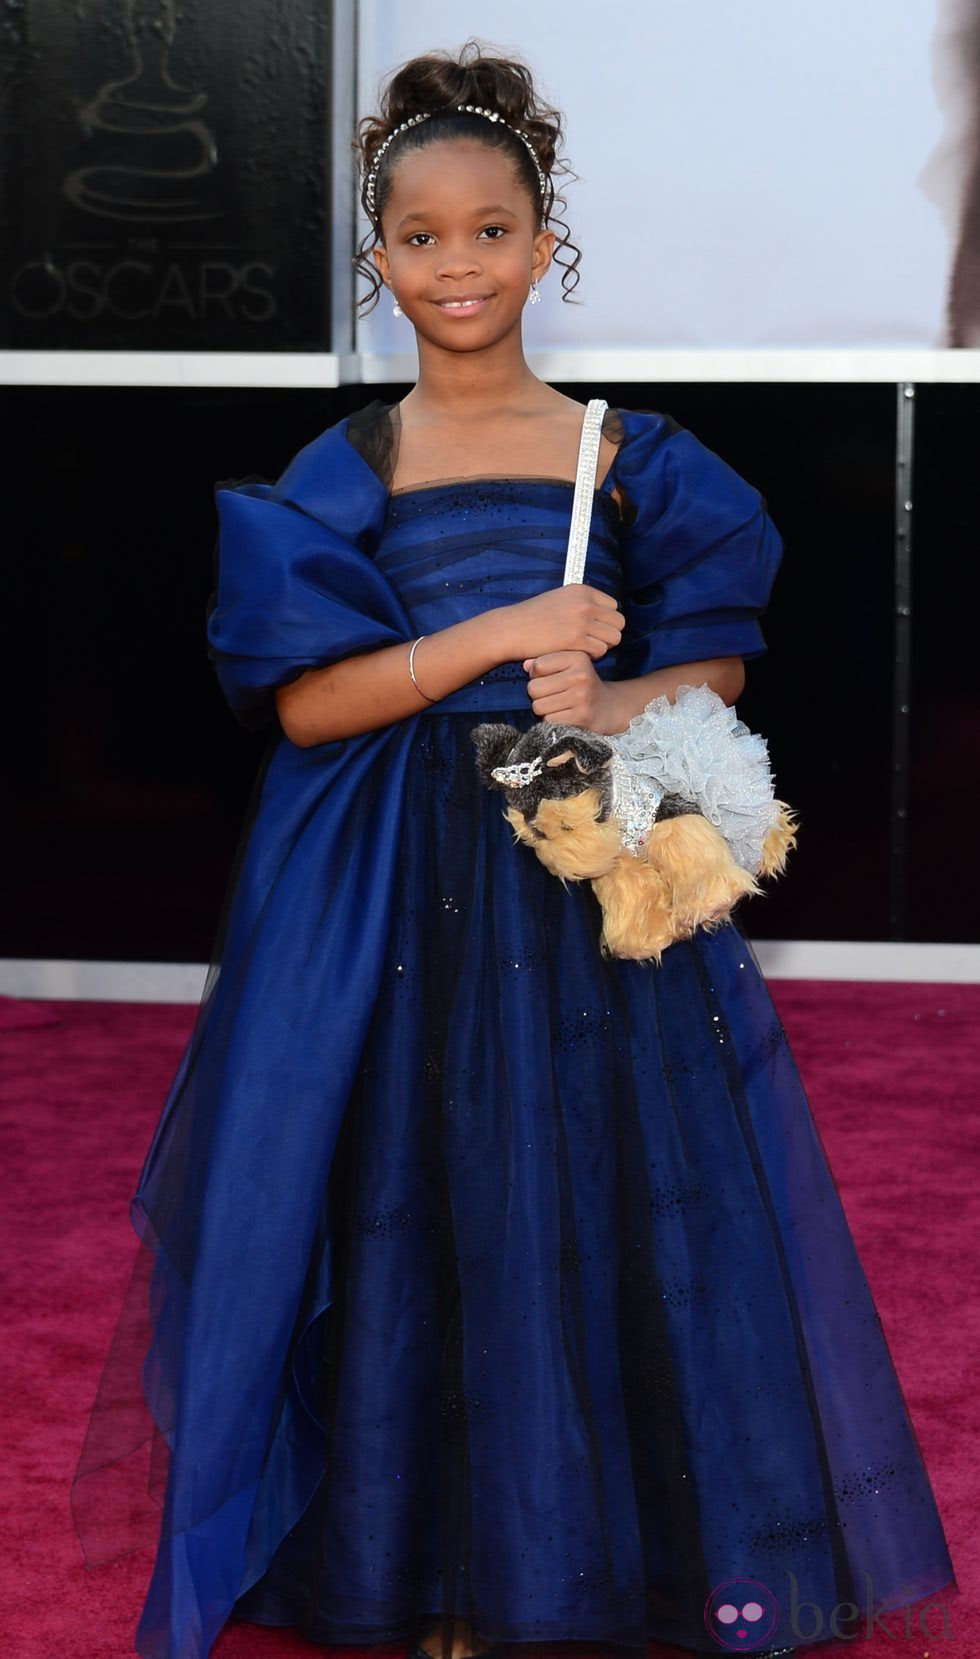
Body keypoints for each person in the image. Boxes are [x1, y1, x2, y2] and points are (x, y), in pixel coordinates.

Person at [72, 40, 958, 1659]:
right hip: (390, 906)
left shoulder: (630, 455)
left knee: (593, 1194)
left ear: (546, 245)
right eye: (422, 236)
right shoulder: (350, 466)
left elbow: (721, 665)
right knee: (410, 1192)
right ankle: (417, 1564)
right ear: (377, 257)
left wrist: (615, 687)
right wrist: (501, 627)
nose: (459, 263)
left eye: (493, 231)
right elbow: (312, 710)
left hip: (579, 894)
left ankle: (589, 1561)